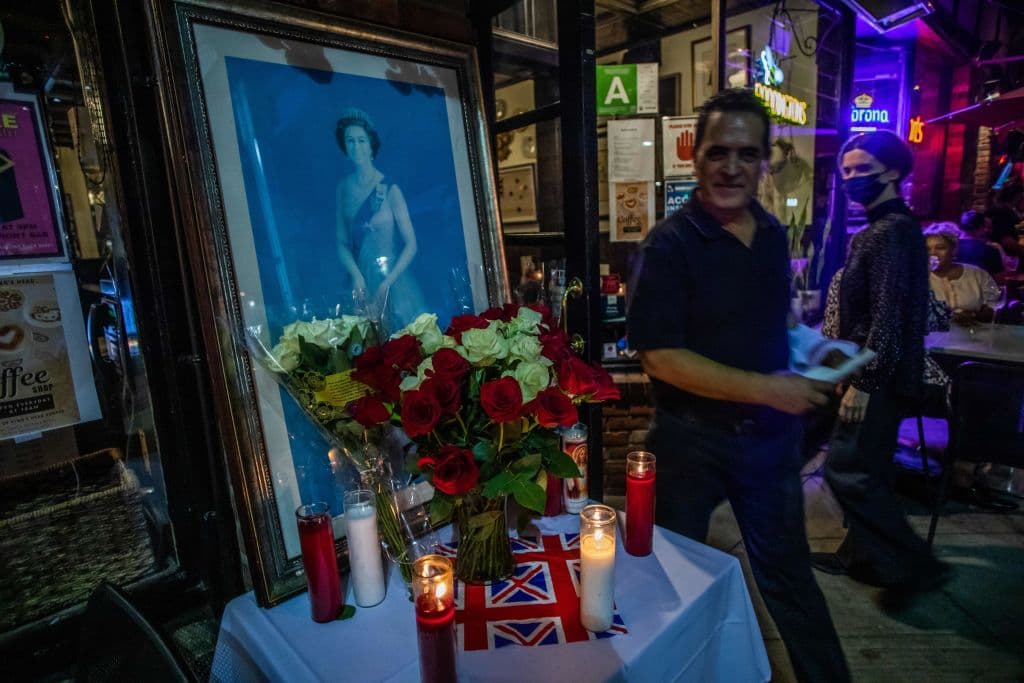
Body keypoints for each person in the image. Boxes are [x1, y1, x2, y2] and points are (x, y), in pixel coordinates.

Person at [627, 88, 849, 683]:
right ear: (694, 156)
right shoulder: (668, 245)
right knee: (669, 585)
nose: (731, 167)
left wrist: (812, 347)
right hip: (687, 443)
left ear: (763, 162)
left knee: (791, 582)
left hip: (767, 443)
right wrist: (770, 390)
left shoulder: (772, 233)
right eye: (718, 152)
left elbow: (774, 317)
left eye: (746, 155)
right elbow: (661, 358)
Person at [811, 131, 949, 600]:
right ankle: (862, 556)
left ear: (891, 172)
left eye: (861, 169)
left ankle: (917, 565)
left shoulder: (891, 232)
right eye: (846, 170)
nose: (851, 178)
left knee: (848, 471)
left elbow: (888, 317)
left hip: (878, 376)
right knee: (864, 468)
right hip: (872, 370)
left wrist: (864, 384)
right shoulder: (885, 228)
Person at [335, 108, 425, 333]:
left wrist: (387, 282)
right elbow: (342, 242)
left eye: (361, 140)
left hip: (395, 280)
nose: (356, 147)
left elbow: (411, 243)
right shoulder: (343, 189)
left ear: (371, 144)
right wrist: (356, 276)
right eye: (350, 141)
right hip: (361, 283)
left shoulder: (390, 188)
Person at [925, 223, 1002, 324]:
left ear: (954, 250)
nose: (933, 253)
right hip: (933, 337)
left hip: (975, 336)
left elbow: (996, 307)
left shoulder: (977, 274)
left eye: (940, 248)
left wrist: (975, 316)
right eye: (927, 249)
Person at [956, 210, 1004, 276]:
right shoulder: (990, 250)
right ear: (981, 227)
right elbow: (999, 278)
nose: (986, 230)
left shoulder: (949, 249)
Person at [985, 182, 1023, 260]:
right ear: (1017, 197)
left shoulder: (999, 209)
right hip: (1006, 259)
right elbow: (1007, 242)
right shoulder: (1003, 212)